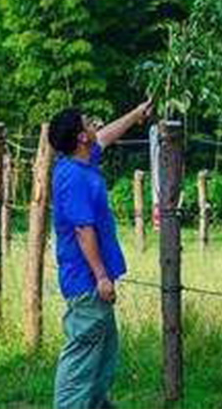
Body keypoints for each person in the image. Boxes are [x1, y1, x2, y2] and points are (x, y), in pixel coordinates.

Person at [49, 100, 153, 409]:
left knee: (102, 357)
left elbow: (105, 136)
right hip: (87, 283)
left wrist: (136, 116)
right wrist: (102, 277)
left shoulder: (79, 162)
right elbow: (83, 231)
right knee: (82, 359)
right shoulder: (75, 178)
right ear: (81, 137)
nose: (95, 125)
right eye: (89, 123)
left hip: (91, 283)